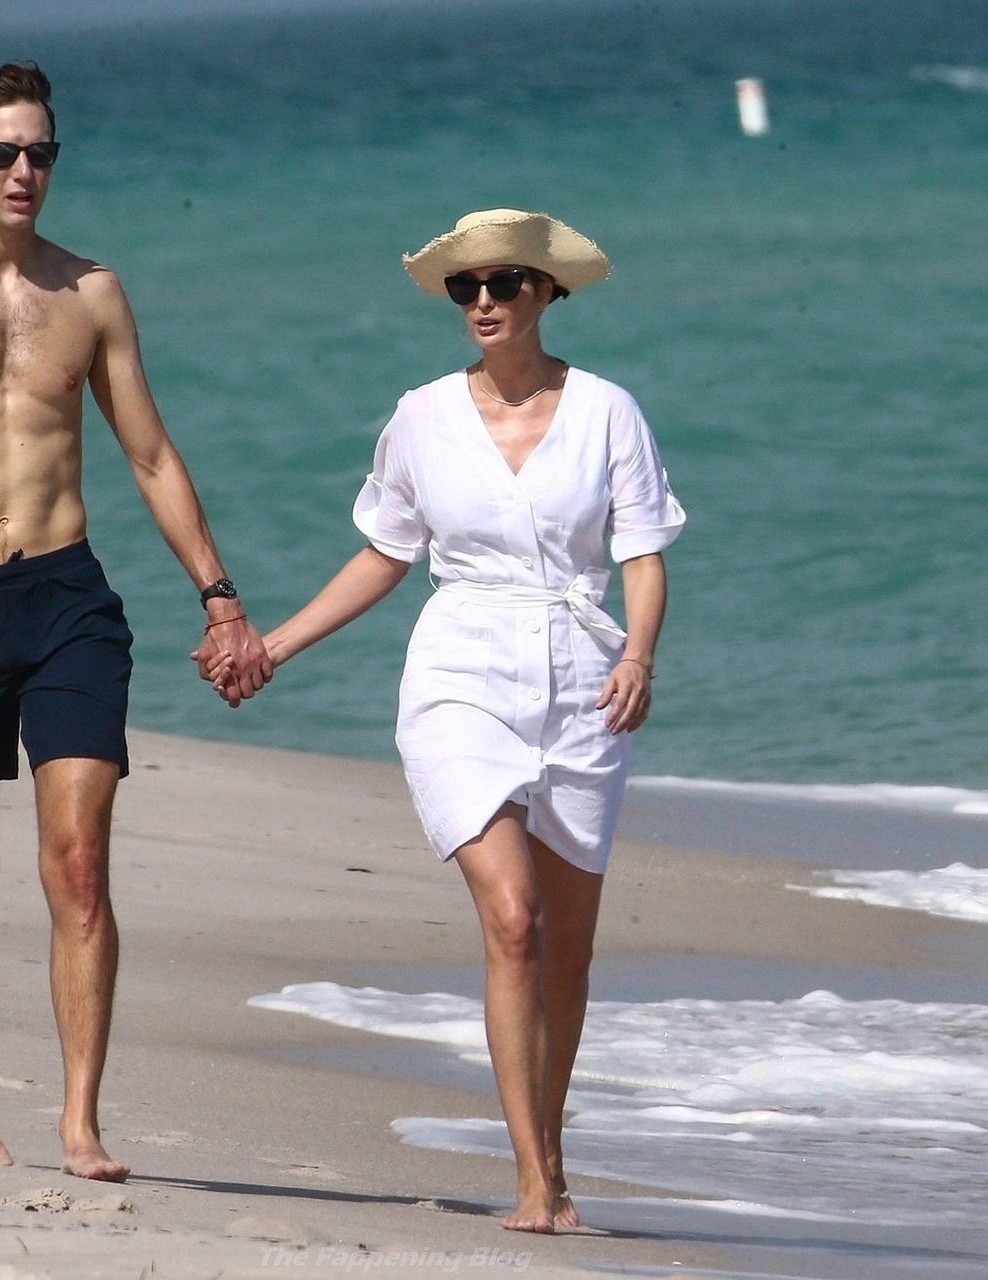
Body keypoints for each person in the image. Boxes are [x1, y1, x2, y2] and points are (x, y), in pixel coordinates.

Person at [0, 60, 272, 1184]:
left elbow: (150, 455)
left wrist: (219, 594)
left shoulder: (91, 293)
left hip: (68, 597)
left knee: (78, 864)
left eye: (42, 153)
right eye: (4, 153)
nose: (25, 171)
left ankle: (80, 1119)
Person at [202, 209, 683, 1232]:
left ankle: (553, 1153)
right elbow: (386, 553)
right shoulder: (421, 416)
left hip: (585, 682)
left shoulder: (608, 412)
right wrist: (271, 646)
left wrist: (638, 655)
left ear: (547, 291)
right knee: (513, 918)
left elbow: (642, 553)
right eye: (467, 286)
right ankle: (531, 1179)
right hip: (461, 670)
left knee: (567, 952)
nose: (483, 302)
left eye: (504, 284)